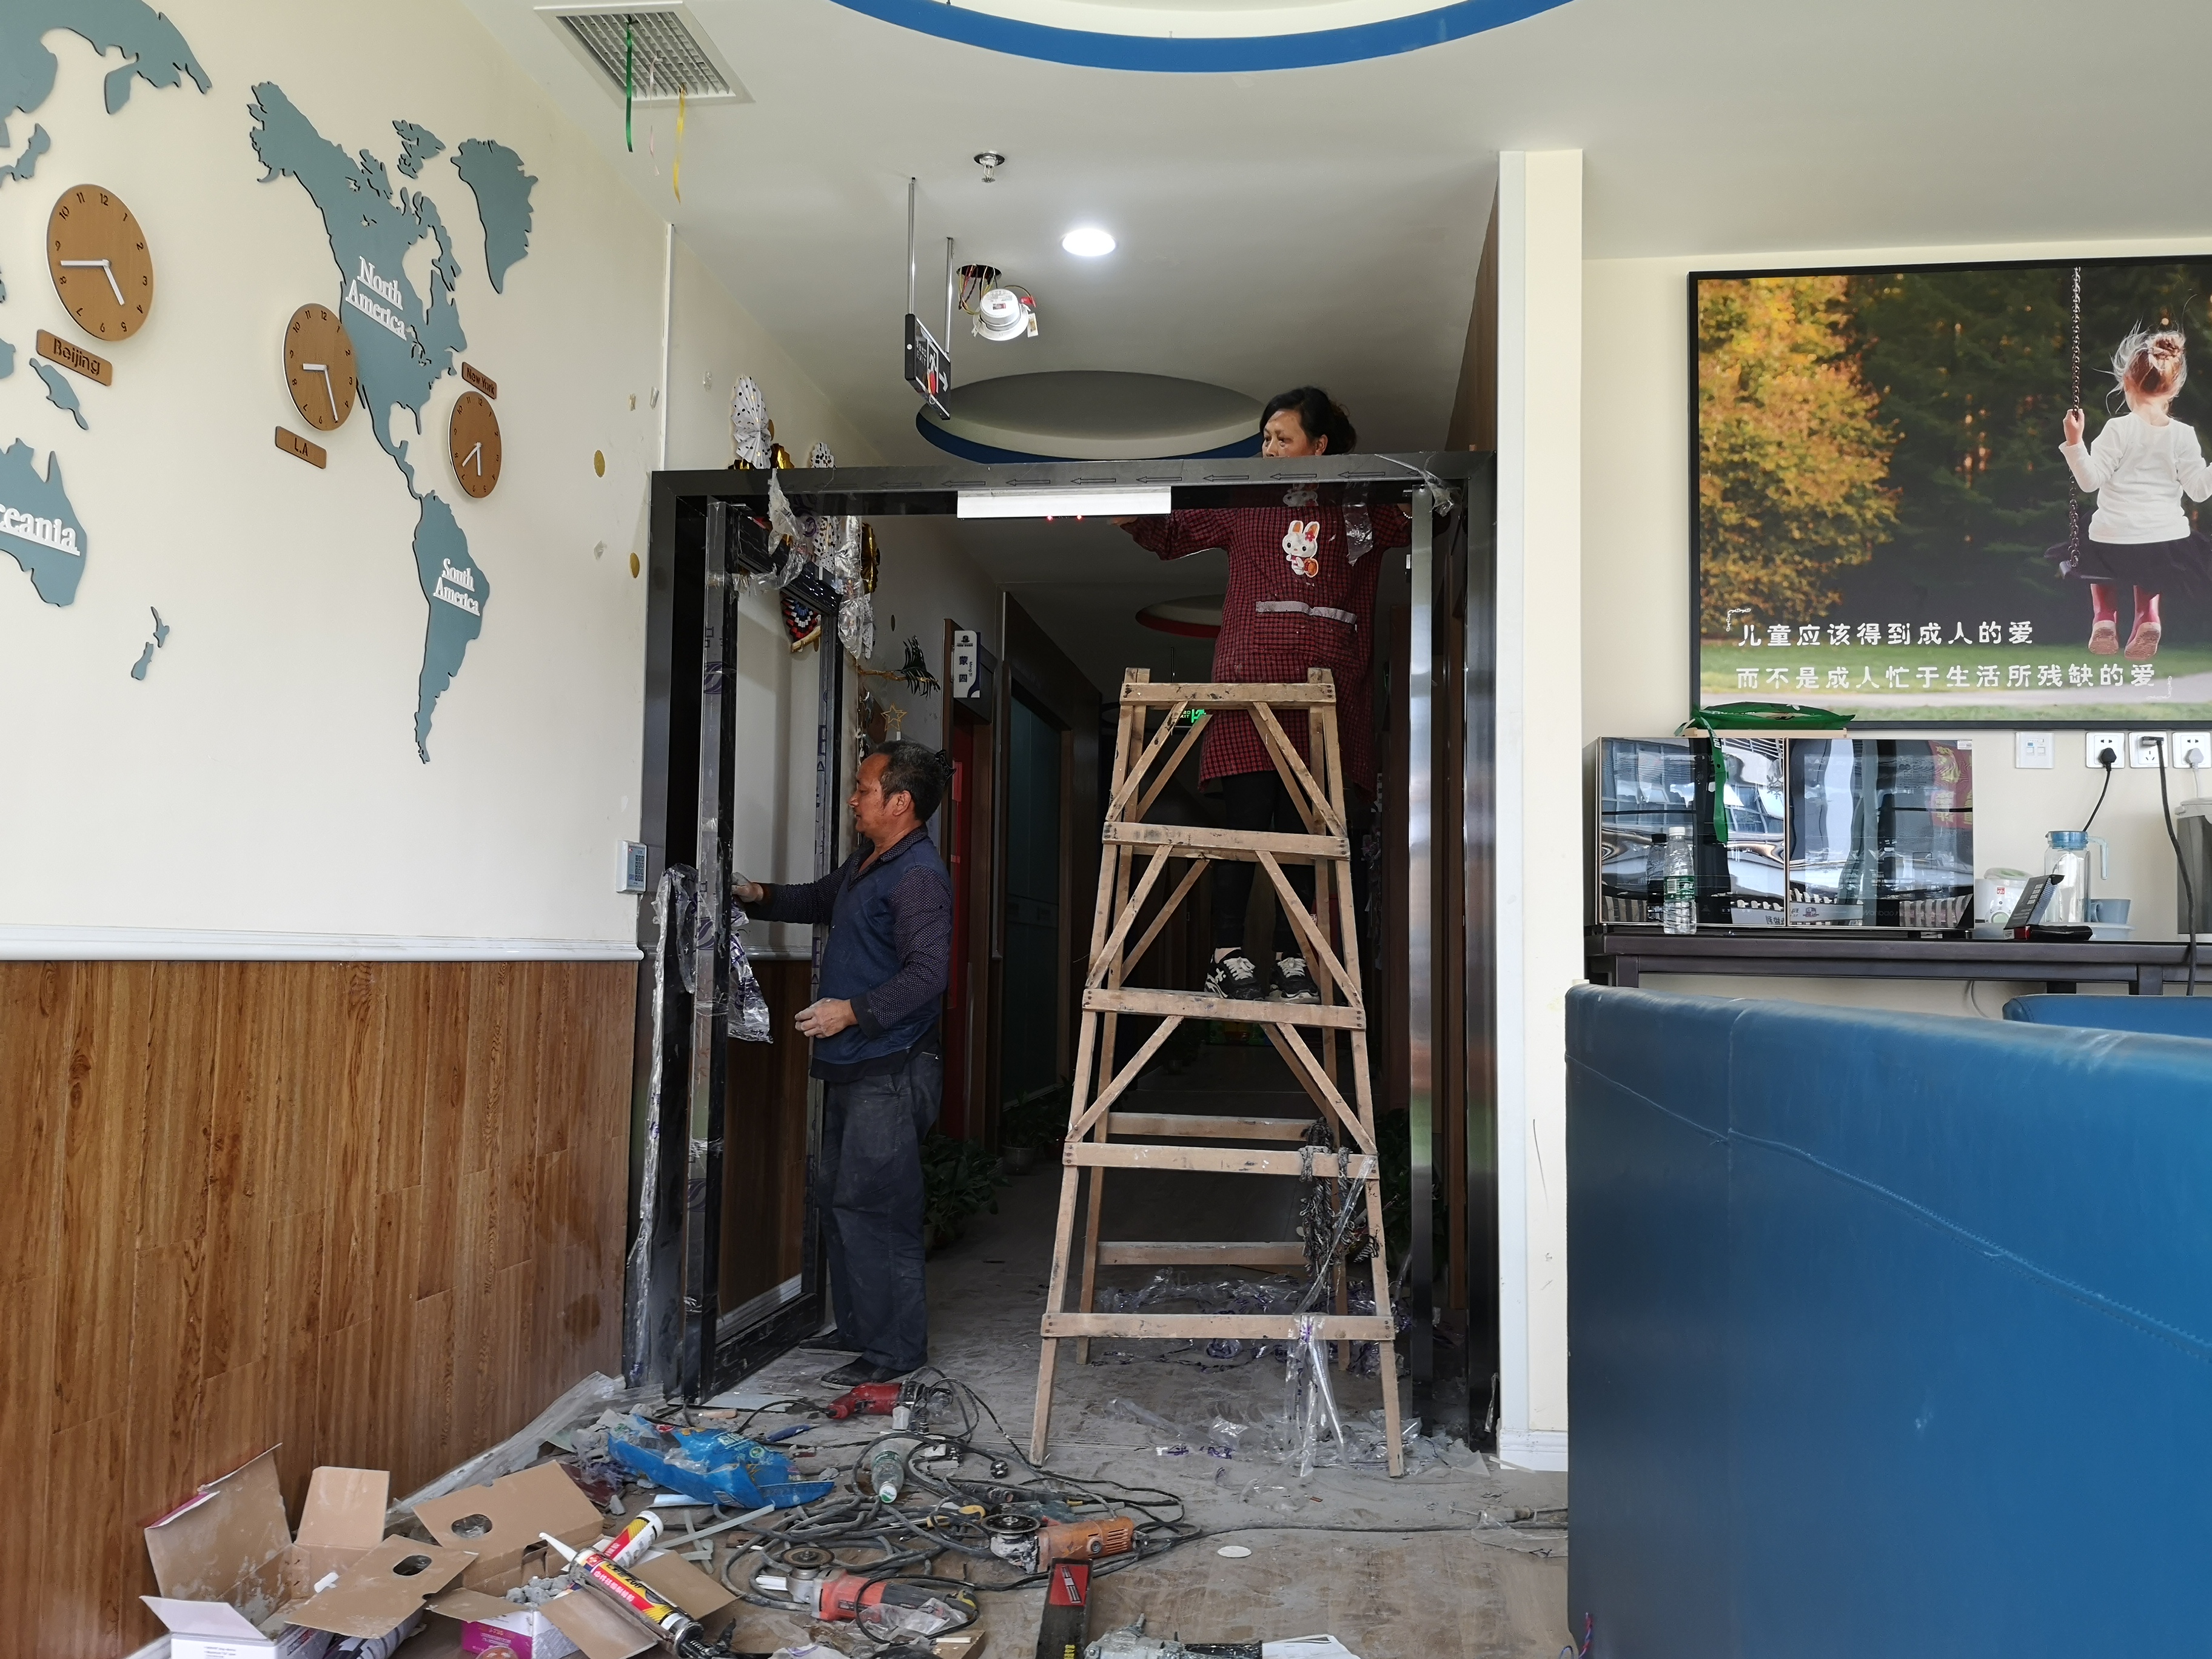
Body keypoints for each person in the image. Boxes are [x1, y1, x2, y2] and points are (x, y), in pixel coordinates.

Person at [1116, 386, 1406, 1000]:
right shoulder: (1247, 499)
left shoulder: (1357, 508)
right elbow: (1173, 534)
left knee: (1302, 838)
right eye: (1266, 438)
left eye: (1283, 438)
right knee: (1245, 828)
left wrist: (1452, 480)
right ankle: (1226, 956)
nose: (1269, 449)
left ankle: (1290, 958)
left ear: (1319, 446)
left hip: (1324, 697)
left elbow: (1419, 518)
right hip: (1249, 688)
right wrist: (1130, 514)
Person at [736, 742, 953, 1386]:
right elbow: (817, 900)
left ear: (900, 802)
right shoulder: (868, 861)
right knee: (842, 1200)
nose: (853, 799)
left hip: (892, 1067)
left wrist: (850, 1012)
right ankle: (860, 1330)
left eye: (863, 789)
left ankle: (894, 1352)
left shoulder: (918, 877)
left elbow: (929, 975)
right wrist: (755, 893)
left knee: (876, 1208)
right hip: (855, 1065)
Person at [2053, 327, 2212, 662]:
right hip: (2166, 544)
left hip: (2113, 542)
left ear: (2127, 382)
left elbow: (2090, 482)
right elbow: (2199, 491)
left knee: (2093, 532)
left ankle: (2104, 617)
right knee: (2152, 557)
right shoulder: (2184, 435)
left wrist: (2074, 442)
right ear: (2174, 388)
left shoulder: (2118, 429)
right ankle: (2149, 617)